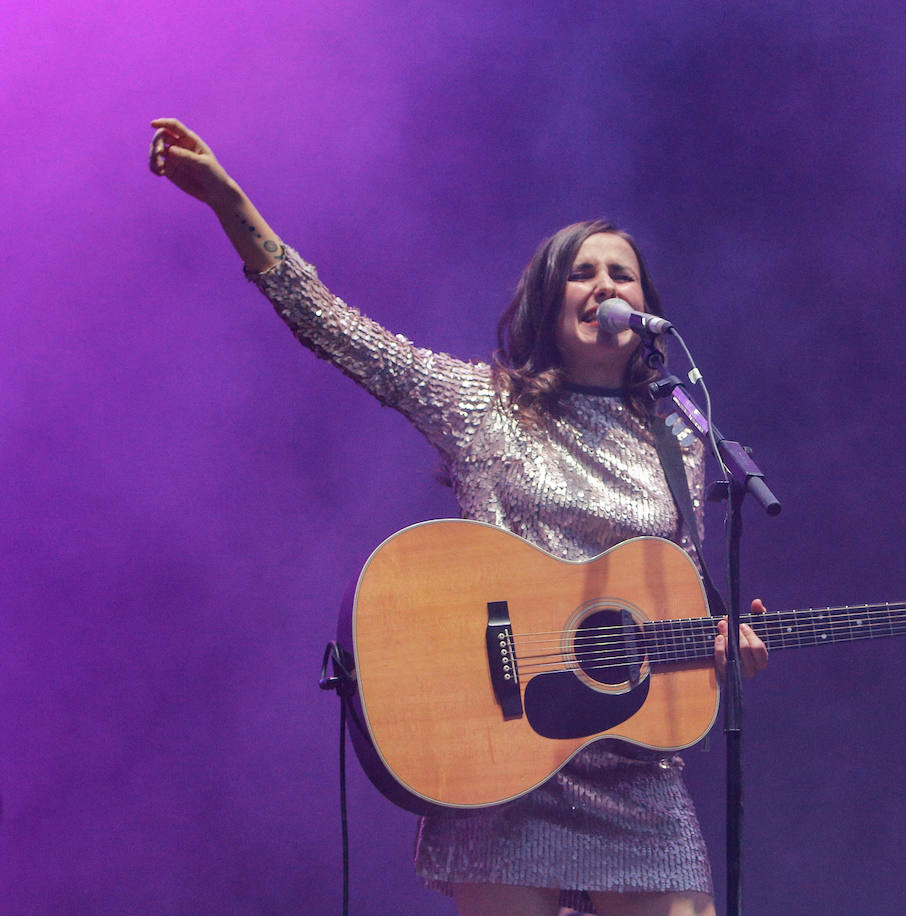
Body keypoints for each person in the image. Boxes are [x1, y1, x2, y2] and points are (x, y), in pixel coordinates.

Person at [148, 118, 769, 916]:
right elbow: (341, 331)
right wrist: (232, 205)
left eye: (623, 274)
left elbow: (664, 592)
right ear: (550, 302)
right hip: (503, 749)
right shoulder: (486, 405)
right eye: (583, 272)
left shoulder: (680, 436)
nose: (607, 286)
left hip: (634, 772)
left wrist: (713, 643)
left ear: (648, 310)